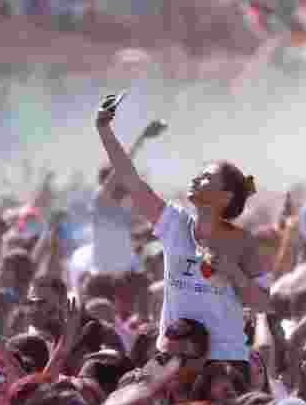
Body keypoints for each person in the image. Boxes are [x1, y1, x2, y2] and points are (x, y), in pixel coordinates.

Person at [95, 94, 271, 367]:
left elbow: (262, 304)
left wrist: (233, 273)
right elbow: (131, 180)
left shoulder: (243, 243)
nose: (195, 179)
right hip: (172, 360)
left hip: (224, 364)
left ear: (224, 197)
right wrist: (104, 131)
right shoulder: (174, 224)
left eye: (206, 178)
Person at [68, 165, 143, 293]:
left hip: (125, 267)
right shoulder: (99, 201)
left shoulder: (127, 204)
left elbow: (137, 229)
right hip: (99, 268)